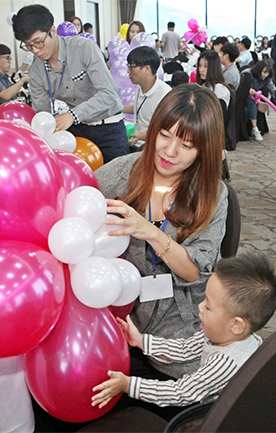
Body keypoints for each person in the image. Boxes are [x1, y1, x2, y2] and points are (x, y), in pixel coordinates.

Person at [95, 84, 228, 381]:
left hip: (179, 314)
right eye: (164, 135)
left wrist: (151, 233)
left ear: (204, 149)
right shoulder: (117, 175)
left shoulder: (211, 193)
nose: (169, 151)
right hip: (119, 308)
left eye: (187, 145)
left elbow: (196, 273)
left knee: (204, 388)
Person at [91, 252, 276, 408]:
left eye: (208, 306)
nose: (200, 307)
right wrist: (141, 341)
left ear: (236, 325)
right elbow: (184, 349)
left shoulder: (225, 362)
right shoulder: (223, 334)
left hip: (218, 417)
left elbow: (181, 393)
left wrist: (129, 385)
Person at [12, 4, 129, 163]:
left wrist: (73, 115)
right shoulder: (37, 71)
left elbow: (109, 94)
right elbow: (42, 114)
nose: (35, 50)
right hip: (77, 133)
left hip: (109, 129)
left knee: (116, 183)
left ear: (52, 30)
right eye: (28, 45)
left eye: (38, 42)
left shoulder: (83, 48)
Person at [123, 46, 171, 150]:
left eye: (131, 67)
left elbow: (167, 133)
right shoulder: (141, 85)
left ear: (146, 69)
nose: (128, 71)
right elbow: (141, 108)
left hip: (151, 147)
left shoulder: (164, 95)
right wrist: (118, 108)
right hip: (136, 142)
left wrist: (140, 135)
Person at [0, 44, 29, 112]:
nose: (10, 62)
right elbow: (6, 95)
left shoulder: (5, 77)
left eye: (10, 59)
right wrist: (22, 80)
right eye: (7, 58)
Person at [245, 61, 276, 142]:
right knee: (251, 101)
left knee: (252, 102)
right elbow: (238, 85)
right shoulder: (247, 74)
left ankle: (254, 127)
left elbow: (273, 91)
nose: (266, 75)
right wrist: (247, 89)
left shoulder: (266, 79)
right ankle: (255, 128)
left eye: (268, 73)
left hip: (254, 98)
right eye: (264, 72)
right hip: (242, 98)